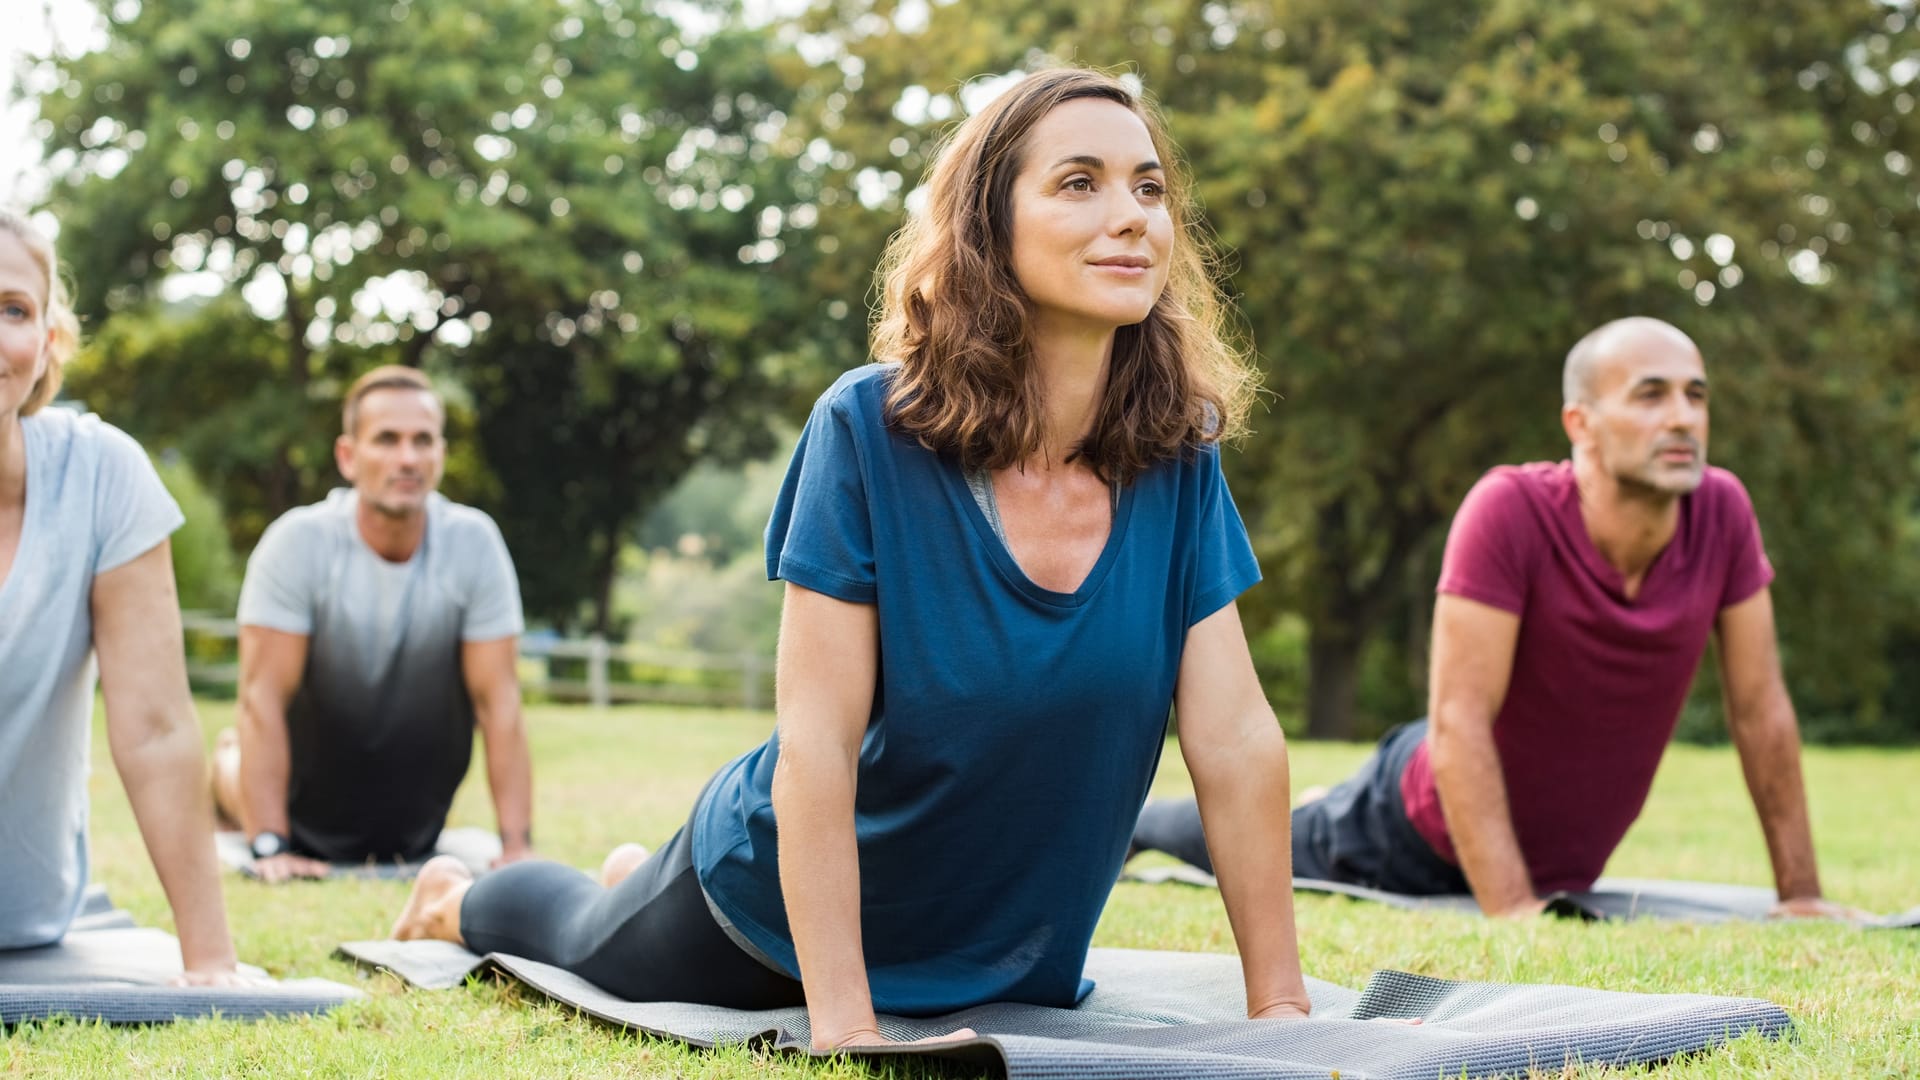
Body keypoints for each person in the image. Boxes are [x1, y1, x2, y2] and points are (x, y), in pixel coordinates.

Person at [388, 66, 1311, 1048]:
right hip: (767, 921)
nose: (1131, 215)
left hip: (1002, 949)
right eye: (1078, 183)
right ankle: (455, 897)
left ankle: (629, 871)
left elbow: (1235, 740)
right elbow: (816, 747)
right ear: (988, 228)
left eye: (1150, 187)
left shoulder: (1176, 459)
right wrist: (843, 1023)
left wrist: (1283, 1009)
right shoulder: (869, 429)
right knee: (577, 932)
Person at [1132, 317, 1858, 920]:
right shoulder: (1510, 509)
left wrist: (1801, 896)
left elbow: (1762, 710)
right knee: (1253, 837)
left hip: (1544, 846)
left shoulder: (1723, 512)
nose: (1682, 417)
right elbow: (1459, 721)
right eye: (1650, 395)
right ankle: (1139, 825)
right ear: (1582, 422)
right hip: (1410, 830)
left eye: (1696, 396)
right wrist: (1514, 910)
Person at [0, 208, 248, 982]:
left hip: (23, 915)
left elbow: (156, 727)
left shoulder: (102, 473)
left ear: (46, 344)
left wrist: (211, 961)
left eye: (13, 309)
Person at [211, 365, 534, 882]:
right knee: (237, 760)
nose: (407, 458)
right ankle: (228, 766)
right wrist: (270, 844)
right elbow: (262, 697)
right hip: (301, 803)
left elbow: (499, 701)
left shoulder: (475, 544)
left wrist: (516, 845)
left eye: (422, 441)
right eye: (386, 439)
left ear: (441, 455)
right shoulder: (296, 544)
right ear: (348, 456)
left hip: (410, 823)